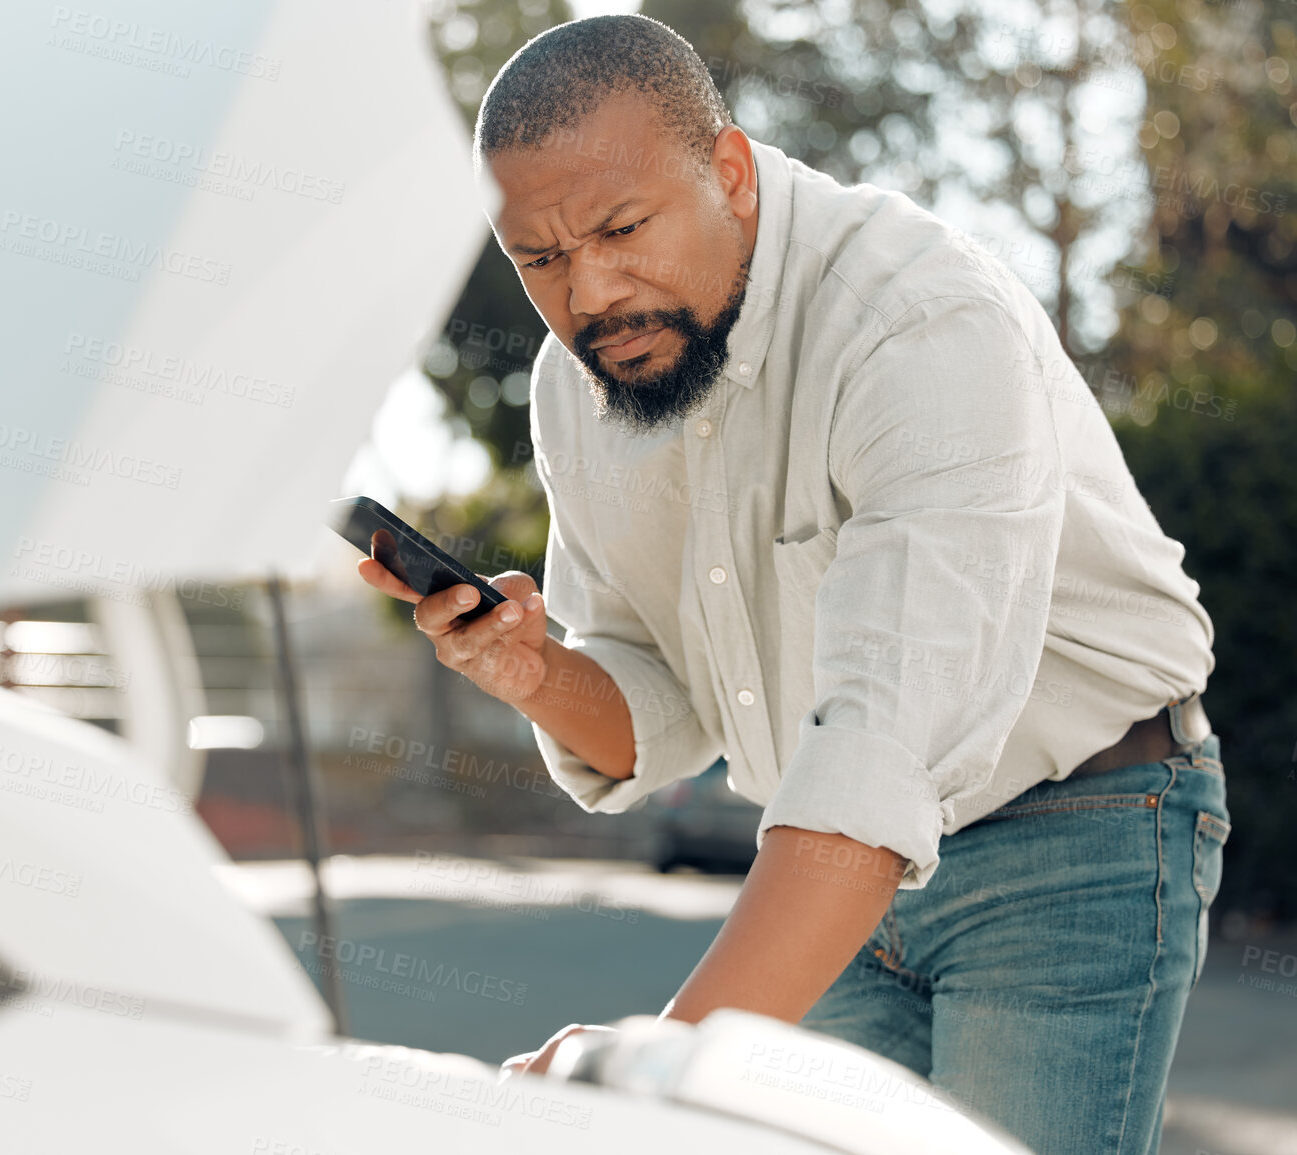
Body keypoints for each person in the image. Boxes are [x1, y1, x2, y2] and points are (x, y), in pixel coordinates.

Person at [354, 15, 1230, 1155]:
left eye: (622, 229)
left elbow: (882, 750)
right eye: (541, 259)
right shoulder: (583, 385)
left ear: (730, 171)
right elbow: (660, 711)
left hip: (1072, 828)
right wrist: (538, 669)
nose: (593, 293)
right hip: (817, 861)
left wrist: (640, 1081)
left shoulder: (918, 323)